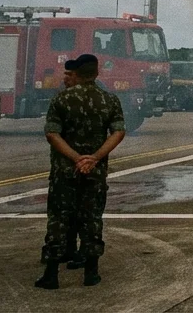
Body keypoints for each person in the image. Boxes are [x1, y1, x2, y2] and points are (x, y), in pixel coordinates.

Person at [36, 54, 126, 289]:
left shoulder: (61, 99)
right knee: (92, 219)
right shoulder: (109, 100)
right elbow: (118, 132)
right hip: (94, 171)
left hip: (64, 170)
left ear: (77, 73)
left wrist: (75, 158)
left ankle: (52, 273)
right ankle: (91, 271)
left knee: (58, 218)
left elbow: (52, 134)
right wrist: (94, 157)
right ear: (96, 73)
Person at [40, 59, 84, 270]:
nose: (65, 78)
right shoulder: (60, 97)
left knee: (75, 212)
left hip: (78, 165)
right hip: (69, 165)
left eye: (69, 75)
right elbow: (51, 132)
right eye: (64, 74)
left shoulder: (65, 99)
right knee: (60, 213)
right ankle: (59, 250)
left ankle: (67, 251)